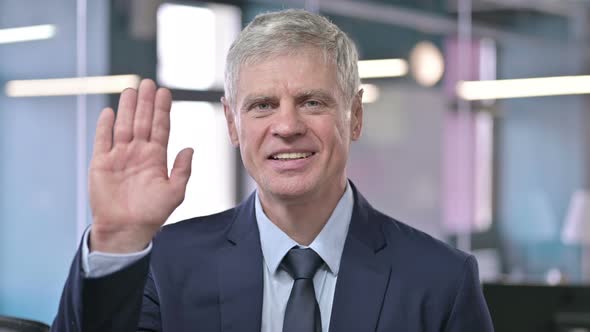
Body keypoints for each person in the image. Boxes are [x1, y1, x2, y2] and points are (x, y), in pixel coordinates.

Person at [51, 9, 493, 332]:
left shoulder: (440, 281)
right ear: (232, 123)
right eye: (263, 106)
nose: (287, 126)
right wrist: (118, 241)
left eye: (312, 102)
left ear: (355, 116)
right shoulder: (165, 266)